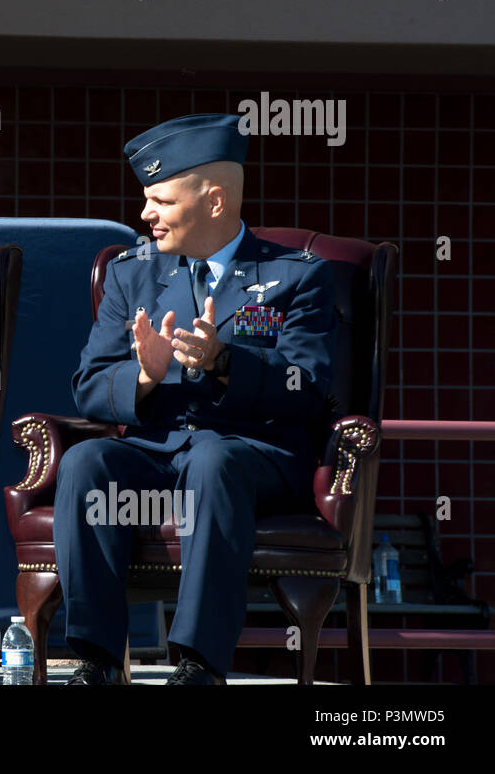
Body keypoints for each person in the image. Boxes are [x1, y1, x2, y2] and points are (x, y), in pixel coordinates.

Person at [54, 113, 338, 685]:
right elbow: (88, 387)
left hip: (253, 452)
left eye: (159, 200)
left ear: (213, 201)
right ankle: (97, 658)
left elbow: (310, 386)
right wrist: (145, 376)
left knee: (213, 459)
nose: (144, 215)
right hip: (157, 450)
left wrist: (226, 362)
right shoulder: (131, 273)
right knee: (87, 462)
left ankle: (198, 663)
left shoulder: (298, 277)